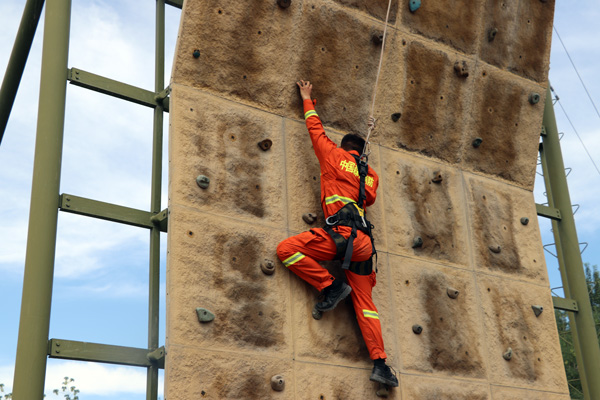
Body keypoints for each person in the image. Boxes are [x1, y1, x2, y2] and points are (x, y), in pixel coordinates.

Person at [276, 80, 398, 388]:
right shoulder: (369, 175)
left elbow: (314, 128)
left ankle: (330, 286)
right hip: (364, 248)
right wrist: (363, 163)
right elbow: (367, 198)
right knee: (367, 306)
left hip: (342, 236)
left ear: (344, 147)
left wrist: (306, 97)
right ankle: (381, 365)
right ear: (360, 151)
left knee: (286, 249)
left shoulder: (332, 155)